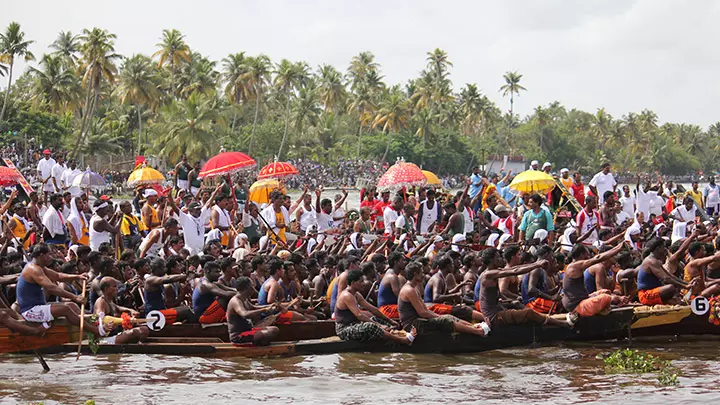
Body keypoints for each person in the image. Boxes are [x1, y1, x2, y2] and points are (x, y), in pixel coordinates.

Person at [17, 243, 107, 336]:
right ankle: (95, 330)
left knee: (71, 305)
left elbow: (58, 276)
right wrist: (75, 297)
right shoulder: (33, 269)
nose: (51, 257)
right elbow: (51, 288)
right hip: (30, 311)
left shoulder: (40, 267)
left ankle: (89, 327)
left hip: (38, 306)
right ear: (41, 255)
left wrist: (77, 276)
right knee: (65, 309)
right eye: (49, 254)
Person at [477, 248, 570, 328]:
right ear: (491, 260)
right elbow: (515, 271)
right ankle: (563, 324)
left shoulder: (493, 271)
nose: (500, 259)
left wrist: (535, 264)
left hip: (498, 309)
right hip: (494, 316)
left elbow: (516, 267)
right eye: (497, 257)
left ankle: (543, 319)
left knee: (516, 304)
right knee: (529, 312)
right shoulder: (488, 275)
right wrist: (537, 265)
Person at [399, 262, 487, 337]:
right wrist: (440, 317)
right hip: (412, 325)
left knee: (449, 317)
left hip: (418, 320)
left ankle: (473, 327)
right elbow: (422, 313)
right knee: (445, 320)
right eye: (421, 272)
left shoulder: (414, 288)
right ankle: (478, 332)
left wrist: (439, 316)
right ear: (415, 274)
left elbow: (425, 310)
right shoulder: (409, 290)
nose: (423, 275)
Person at [335, 269, 415, 345]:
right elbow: (359, 315)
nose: (364, 283)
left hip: (355, 324)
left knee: (375, 319)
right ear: (352, 283)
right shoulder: (346, 295)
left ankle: (397, 333)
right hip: (344, 329)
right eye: (361, 281)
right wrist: (379, 326)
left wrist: (390, 320)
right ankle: (402, 340)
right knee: (370, 326)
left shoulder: (356, 294)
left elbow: (372, 309)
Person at [562, 243, 624, 324]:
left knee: (606, 292)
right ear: (582, 255)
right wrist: (618, 248)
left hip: (579, 301)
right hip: (576, 306)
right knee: (607, 297)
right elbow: (598, 258)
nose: (589, 257)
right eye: (587, 255)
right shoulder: (575, 266)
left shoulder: (576, 266)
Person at [637, 238, 693, 306]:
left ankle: (672, 301)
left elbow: (669, 275)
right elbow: (665, 279)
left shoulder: (656, 261)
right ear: (658, 248)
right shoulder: (651, 261)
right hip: (645, 295)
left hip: (653, 291)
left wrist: (686, 283)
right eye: (663, 247)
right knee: (670, 288)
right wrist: (685, 286)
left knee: (674, 289)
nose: (665, 249)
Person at [226, 276, 281, 346]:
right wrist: (264, 309)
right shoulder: (236, 301)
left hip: (248, 330)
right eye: (251, 286)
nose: (253, 289)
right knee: (267, 333)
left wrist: (269, 306)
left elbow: (253, 307)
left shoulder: (244, 298)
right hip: (239, 336)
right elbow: (244, 314)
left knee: (274, 330)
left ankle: (260, 348)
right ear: (246, 288)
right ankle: (257, 350)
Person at [94, 277, 150, 344]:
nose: (117, 289)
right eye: (114, 286)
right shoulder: (101, 302)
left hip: (114, 335)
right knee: (140, 331)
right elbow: (98, 319)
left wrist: (130, 310)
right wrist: (124, 321)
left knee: (144, 330)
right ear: (106, 289)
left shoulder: (109, 300)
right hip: (103, 340)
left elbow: (117, 307)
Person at [143, 258, 194, 323]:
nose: (166, 269)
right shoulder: (150, 280)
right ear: (158, 268)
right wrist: (185, 276)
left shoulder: (157, 280)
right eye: (164, 267)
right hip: (155, 315)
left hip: (162, 312)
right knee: (187, 310)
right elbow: (168, 279)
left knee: (188, 308)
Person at [521, 246, 563, 314]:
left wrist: (557, 288)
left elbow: (544, 292)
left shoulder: (541, 268)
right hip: (531, 303)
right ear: (546, 255)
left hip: (537, 300)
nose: (553, 259)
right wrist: (551, 298)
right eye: (552, 256)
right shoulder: (536, 268)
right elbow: (531, 290)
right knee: (564, 303)